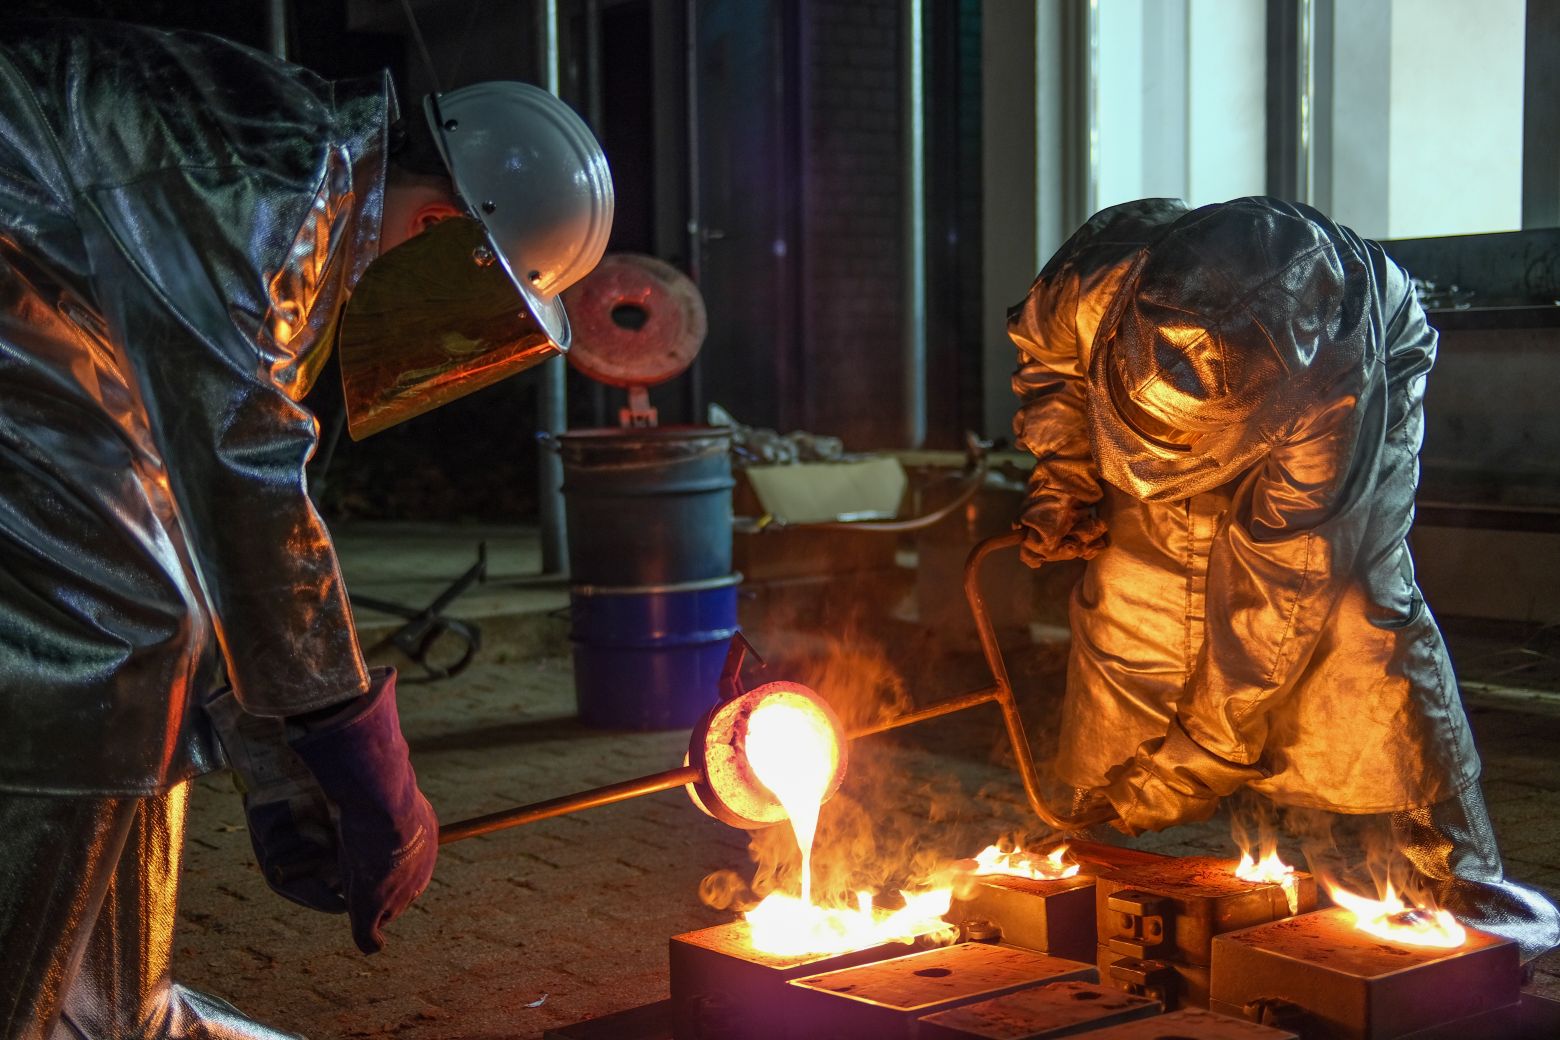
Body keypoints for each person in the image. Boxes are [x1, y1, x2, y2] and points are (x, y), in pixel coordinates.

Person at [0, 18, 612, 1040]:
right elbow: (240, 467)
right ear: (443, 232)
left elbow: (198, 495)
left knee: (150, 586)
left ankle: (110, 1007)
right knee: (109, 613)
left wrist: (275, 751)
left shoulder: (298, 180)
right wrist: (355, 746)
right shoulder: (272, 184)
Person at [1009, 196, 1560, 961]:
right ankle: (1088, 831)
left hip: (1360, 375)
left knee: (1353, 610)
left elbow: (1286, 588)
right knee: (1137, 581)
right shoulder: (1086, 285)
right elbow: (1052, 371)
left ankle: (1441, 873)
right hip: (1243, 386)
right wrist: (1064, 479)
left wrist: (1200, 758)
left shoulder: (1332, 390)